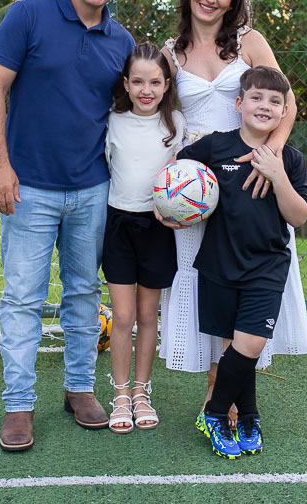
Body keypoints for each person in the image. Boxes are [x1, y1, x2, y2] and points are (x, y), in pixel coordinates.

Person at [0, 0, 135, 452]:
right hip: (28, 189)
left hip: (93, 189)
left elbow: (138, 111)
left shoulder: (123, 42)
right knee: (22, 298)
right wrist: (0, 167)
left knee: (84, 294)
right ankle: (19, 404)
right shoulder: (28, 15)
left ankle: (79, 389)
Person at [158, 0, 307, 403]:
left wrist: (271, 157)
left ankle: (232, 390)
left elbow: (288, 101)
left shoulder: (248, 40)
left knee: (248, 276)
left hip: (250, 176)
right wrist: (165, 191)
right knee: (206, 278)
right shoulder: (171, 51)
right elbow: (155, 110)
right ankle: (213, 388)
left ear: (233, 0)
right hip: (196, 181)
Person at [178, 66, 307, 458]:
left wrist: (277, 174)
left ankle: (215, 412)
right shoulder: (215, 146)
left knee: (251, 342)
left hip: (267, 269)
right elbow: (178, 176)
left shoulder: (291, 158)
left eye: (275, 101)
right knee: (236, 348)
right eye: (256, 97)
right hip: (219, 265)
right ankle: (249, 415)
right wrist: (172, 205)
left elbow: (299, 216)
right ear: (239, 104)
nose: (265, 106)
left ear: (285, 111)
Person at [101, 43, 186, 433]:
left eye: (154, 81)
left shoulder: (176, 126)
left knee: (149, 315)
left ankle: (141, 392)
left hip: (158, 228)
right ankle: (119, 394)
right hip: (119, 224)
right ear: (126, 83)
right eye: (138, 81)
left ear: (167, 84)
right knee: (123, 315)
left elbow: (185, 177)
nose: (146, 89)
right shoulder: (112, 120)